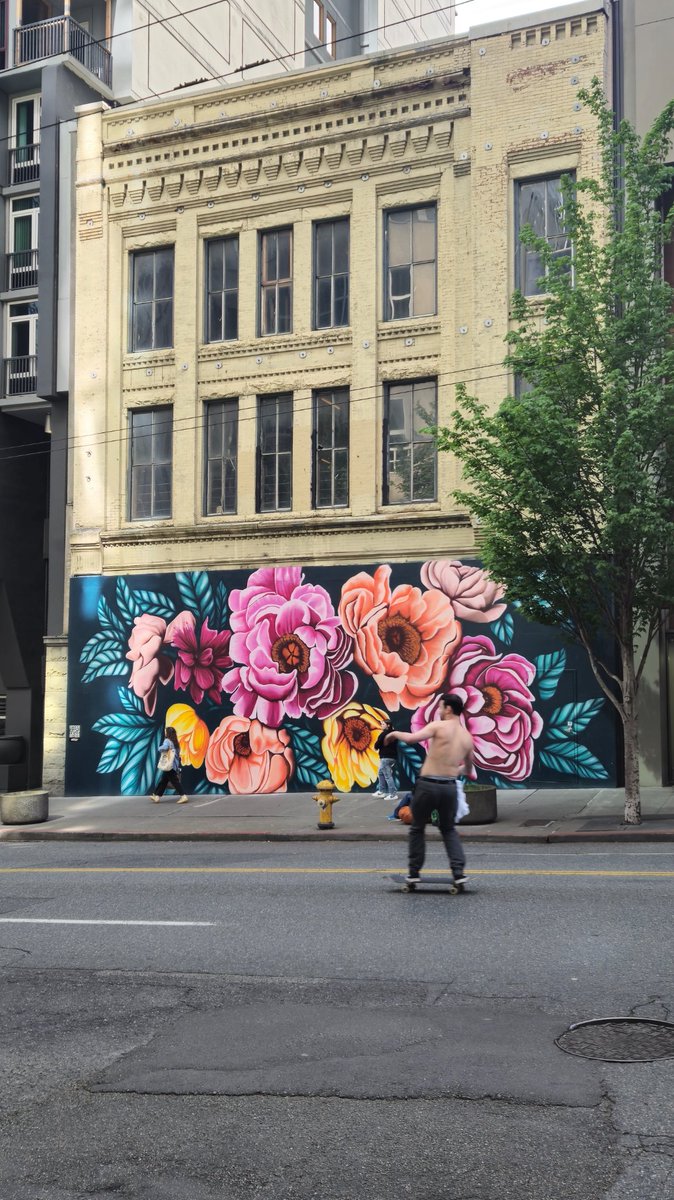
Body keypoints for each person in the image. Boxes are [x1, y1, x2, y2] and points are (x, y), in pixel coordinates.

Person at [385, 693, 473, 885]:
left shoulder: (438, 726)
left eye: (441, 707)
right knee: (448, 830)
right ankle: (458, 873)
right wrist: (451, 770)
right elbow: (467, 769)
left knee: (417, 828)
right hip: (449, 788)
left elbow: (411, 739)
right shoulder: (467, 738)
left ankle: (414, 872)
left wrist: (393, 734)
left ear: (448, 709)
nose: (439, 711)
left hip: (428, 786)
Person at [151, 726, 188, 804]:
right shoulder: (175, 742)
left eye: (165, 731)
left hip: (169, 764)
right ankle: (156, 795)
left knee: (175, 781)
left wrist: (159, 748)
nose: (165, 733)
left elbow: (164, 748)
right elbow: (177, 754)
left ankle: (183, 796)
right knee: (164, 780)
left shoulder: (167, 741)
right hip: (174, 764)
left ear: (168, 733)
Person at [373, 719, 399, 805]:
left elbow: (377, 744)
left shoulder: (384, 734)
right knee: (381, 772)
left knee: (387, 775)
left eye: (383, 724)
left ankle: (393, 794)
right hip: (392, 757)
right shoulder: (394, 733)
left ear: (388, 725)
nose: (381, 725)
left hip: (385, 757)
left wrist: (376, 747)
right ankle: (382, 791)